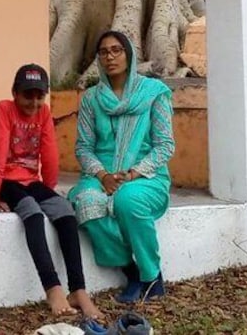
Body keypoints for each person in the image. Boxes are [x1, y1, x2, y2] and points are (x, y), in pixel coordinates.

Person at [0, 64, 103, 320]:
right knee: (32, 213)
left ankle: (78, 290)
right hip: (5, 179)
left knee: (64, 212)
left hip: (30, 180)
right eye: (28, 95)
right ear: (15, 93)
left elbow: (49, 151)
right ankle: (53, 289)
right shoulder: (4, 109)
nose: (34, 102)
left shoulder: (44, 112)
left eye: (40, 95)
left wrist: (49, 189)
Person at [67, 31, 175, 303]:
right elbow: (83, 147)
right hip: (101, 175)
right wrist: (103, 175)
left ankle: (152, 277)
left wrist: (132, 173)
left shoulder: (154, 93)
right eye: (104, 52)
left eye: (117, 50)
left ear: (129, 55)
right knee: (87, 201)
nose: (110, 57)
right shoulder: (92, 99)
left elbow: (164, 145)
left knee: (127, 200)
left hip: (146, 176)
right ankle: (133, 272)